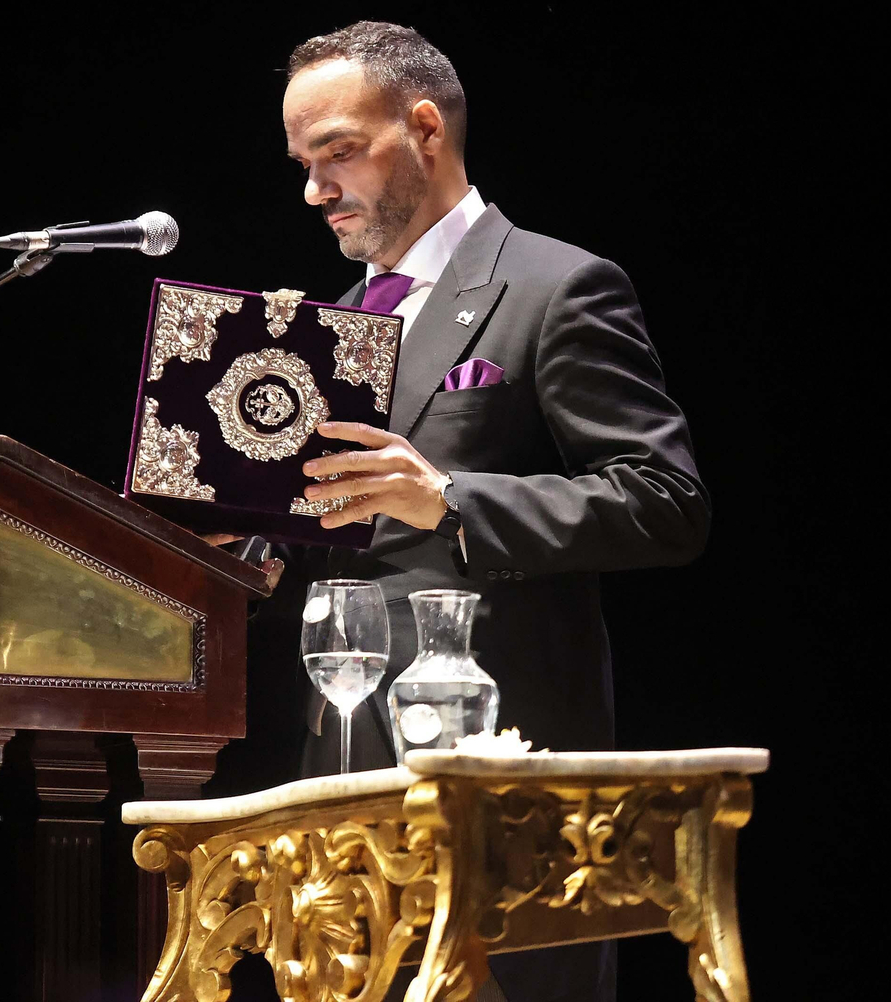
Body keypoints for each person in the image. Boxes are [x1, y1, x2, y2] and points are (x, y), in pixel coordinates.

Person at [224, 21, 710, 1002]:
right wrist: (236, 549)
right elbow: (337, 540)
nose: (314, 189)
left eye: (339, 153)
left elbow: (665, 502)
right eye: (301, 162)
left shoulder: (556, 286)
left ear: (424, 128)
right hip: (340, 776)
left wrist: (451, 501)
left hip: (500, 783)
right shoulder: (326, 333)